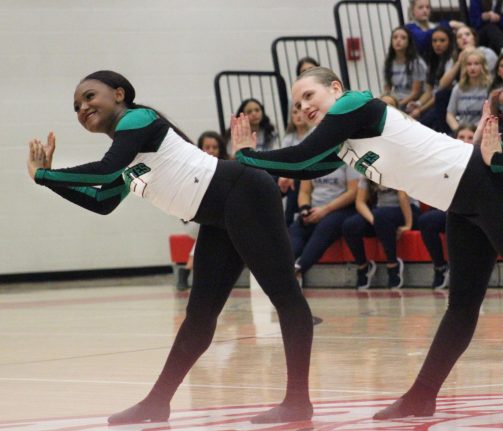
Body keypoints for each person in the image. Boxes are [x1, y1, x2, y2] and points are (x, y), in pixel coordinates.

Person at [231, 66, 503, 421]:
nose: (305, 106)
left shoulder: (354, 105)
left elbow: (302, 155)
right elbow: (308, 167)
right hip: (462, 203)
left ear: (336, 88)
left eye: (309, 95)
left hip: (489, 185)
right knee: (461, 308)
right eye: (297, 103)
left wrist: (249, 155)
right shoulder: (344, 138)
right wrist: (254, 160)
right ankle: (421, 397)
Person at [26, 70, 314, 425]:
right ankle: (157, 402)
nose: (82, 107)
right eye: (75, 106)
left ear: (119, 94)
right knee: (199, 316)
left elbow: (103, 171)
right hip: (218, 217)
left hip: (245, 193)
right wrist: (49, 180)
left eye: (89, 96)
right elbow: (103, 201)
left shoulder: (139, 119)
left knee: (285, 296)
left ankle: (299, 400)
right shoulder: (128, 150)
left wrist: (45, 175)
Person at [418, 124, 475, 290]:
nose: (465, 141)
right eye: (461, 137)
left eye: (470, 137)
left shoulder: (482, 159)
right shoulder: (444, 161)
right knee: (427, 220)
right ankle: (440, 267)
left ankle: (469, 271)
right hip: (449, 208)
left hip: (475, 212)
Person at [176, 131, 230, 290]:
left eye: (215, 147)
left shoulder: (227, 167)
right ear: (200, 148)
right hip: (193, 219)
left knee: (214, 228)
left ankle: (187, 270)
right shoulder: (193, 169)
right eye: (207, 147)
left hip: (216, 219)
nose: (211, 150)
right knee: (210, 226)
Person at [342, 178, 419, 289]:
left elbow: (403, 196)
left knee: (381, 216)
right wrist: (374, 221)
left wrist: (408, 224)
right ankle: (363, 266)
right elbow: (360, 203)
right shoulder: (369, 168)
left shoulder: (398, 166)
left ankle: (393, 265)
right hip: (380, 213)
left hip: (408, 211)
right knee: (350, 225)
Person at [290, 164, 360, 287]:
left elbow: (353, 192)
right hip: (315, 208)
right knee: (296, 229)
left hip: (341, 209)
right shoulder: (313, 159)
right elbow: (304, 191)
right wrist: (304, 209)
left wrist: (326, 210)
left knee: (326, 226)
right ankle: (284, 266)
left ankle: (299, 268)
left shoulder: (348, 161)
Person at [412, 26, 456, 132]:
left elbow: (439, 91)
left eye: (442, 41)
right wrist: (417, 104)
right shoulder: (432, 60)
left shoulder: (452, 60)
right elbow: (429, 91)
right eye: (434, 41)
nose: (438, 44)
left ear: (450, 42)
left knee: (422, 125)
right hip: (433, 102)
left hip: (445, 102)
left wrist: (420, 110)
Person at [280, 106, 313, 225]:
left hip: (305, 174)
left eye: (301, 112)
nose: (298, 115)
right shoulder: (289, 137)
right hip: (290, 174)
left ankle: (288, 220)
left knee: (294, 183)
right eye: (294, 112)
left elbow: (309, 160)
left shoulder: (313, 133)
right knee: (272, 180)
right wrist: (284, 176)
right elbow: (283, 161)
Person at [383, 26, 428, 110]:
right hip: (395, 99)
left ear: (409, 42)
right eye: (395, 37)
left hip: (411, 101)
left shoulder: (416, 63)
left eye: (403, 38)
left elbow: (416, 93)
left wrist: (398, 104)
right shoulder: (389, 62)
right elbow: (387, 89)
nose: (398, 40)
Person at [446, 49, 491, 133]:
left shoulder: (489, 88)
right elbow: (450, 115)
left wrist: (474, 131)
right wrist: (458, 130)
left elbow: (489, 115)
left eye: (476, 64)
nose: (472, 68)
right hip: (461, 132)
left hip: (481, 131)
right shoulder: (458, 88)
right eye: (469, 64)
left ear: (483, 66)